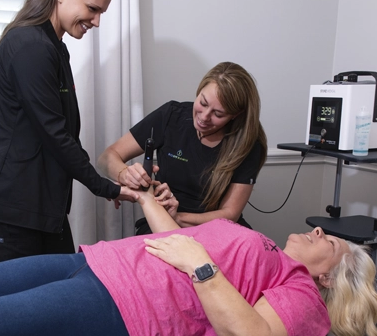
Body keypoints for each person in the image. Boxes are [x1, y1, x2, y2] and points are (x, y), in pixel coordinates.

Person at [0, 187, 377, 336]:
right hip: (94, 262)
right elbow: (180, 241)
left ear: (329, 277)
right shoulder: (270, 253)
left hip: (122, 308)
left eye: (328, 241)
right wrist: (145, 199)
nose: (317, 232)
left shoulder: (302, 295)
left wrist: (202, 267)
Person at [0, 0, 137, 262]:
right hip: (14, 208)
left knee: (62, 285)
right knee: (28, 305)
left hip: (37, 204)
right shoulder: (31, 47)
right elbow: (55, 134)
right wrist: (105, 187)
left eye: (101, 12)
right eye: (92, 9)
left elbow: (61, 130)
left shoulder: (52, 47)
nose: (96, 21)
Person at [97, 61, 268, 234]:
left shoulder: (248, 143)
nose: (204, 117)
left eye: (218, 114)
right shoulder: (172, 116)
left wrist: (178, 217)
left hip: (218, 229)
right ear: (199, 91)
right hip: (162, 223)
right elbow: (106, 158)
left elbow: (229, 214)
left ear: (235, 115)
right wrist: (126, 175)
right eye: (203, 102)